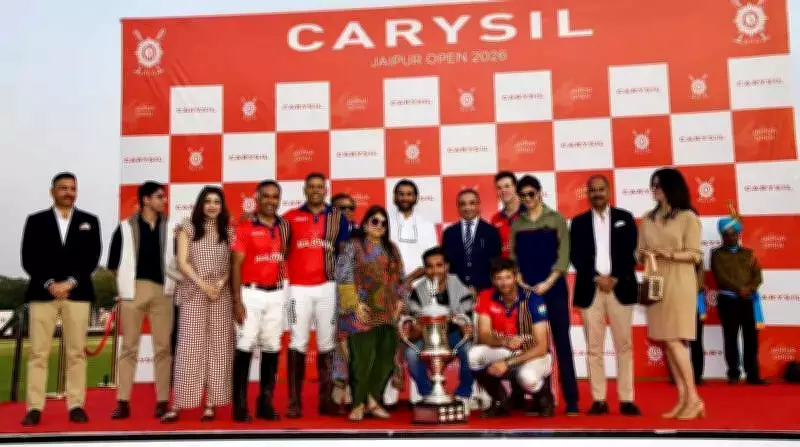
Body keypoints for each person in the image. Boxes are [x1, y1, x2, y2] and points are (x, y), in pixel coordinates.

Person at [20, 172, 102, 426]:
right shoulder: (35, 221)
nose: (69, 192)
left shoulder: (90, 221)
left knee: (76, 353)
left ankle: (76, 404)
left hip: (78, 293)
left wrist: (70, 282)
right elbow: (28, 258)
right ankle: (34, 407)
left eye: (73, 188)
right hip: (42, 294)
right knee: (38, 353)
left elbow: (92, 258)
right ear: (52, 191)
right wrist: (50, 284)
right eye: (63, 188)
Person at [162, 186, 235, 422]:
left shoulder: (229, 230)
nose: (212, 206)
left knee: (219, 349)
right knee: (189, 348)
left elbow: (233, 263)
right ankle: (178, 403)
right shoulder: (188, 226)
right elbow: (182, 262)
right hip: (193, 292)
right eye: (208, 201)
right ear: (200, 204)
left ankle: (211, 404)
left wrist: (220, 284)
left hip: (221, 295)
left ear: (222, 206)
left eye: (217, 201)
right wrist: (204, 285)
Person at [636, 168, 704, 420]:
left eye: (659, 185)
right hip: (655, 280)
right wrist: (644, 255)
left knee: (675, 340)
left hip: (679, 280)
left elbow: (695, 255)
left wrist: (670, 254)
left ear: (671, 187)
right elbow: (638, 252)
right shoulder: (647, 218)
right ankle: (683, 399)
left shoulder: (688, 217)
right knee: (666, 341)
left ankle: (694, 399)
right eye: (652, 185)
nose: (654, 190)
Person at [569, 175, 640, 416]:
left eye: (601, 189)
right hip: (591, 288)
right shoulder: (578, 222)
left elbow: (632, 252)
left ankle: (627, 399)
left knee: (624, 345)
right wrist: (597, 277)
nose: (597, 194)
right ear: (587, 193)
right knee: (594, 347)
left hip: (620, 287)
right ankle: (598, 399)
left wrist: (615, 277)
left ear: (608, 191)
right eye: (593, 190)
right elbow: (576, 256)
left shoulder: (625, 218)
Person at [510, 175, 579, 415]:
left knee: (562, 343)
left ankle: (572, 400)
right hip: (527, 292)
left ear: (540, 193)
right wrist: (519, 278)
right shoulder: (517, 224)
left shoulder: (556, 218)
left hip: (554, 288)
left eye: (531, 194)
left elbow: (564, 255)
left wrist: (548, 282)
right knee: (530, 344)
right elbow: (514, 258)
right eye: (523, 195)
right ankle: (540, 398)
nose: (527, 199)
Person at [108, 181, 177, 420]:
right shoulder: (124, 227)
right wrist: (126, 285)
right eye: (159, 196)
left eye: (164, 196)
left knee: (163, 348)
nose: (164, 200)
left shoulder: (172, 227)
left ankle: (162, 401)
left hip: (163, 292)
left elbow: (180, 260)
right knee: (129, 348)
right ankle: (123, 402)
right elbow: (113, 264)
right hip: (133, 292)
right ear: (146, 200)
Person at [283, 172, 350, 418]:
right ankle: (294, 403)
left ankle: (327, 401)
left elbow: (344, 253)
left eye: (319, 186)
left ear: (325, 190)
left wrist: (345, 287)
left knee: (327, 343)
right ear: (304, 190)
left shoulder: (337, 217)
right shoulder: (290, 217)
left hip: (328, 287)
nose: (315, 190)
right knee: (297, 342)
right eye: (310, 186)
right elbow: (276, 245)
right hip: (298, 288)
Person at [335, 206, 408, 421]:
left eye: (384, 223)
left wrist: (400, 301)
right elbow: (343, 276)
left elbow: (401, 278)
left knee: (385, 361)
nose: (379, 226)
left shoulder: (392, 248)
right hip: (361, 312)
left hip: (388, 312)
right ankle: (358, 404)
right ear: (365, 224)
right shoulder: (352, 246)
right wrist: (354, 305)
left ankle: (373, 400)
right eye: (375, 221)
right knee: (362, 361)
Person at [230, 181, 291, 422]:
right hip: (250, 294)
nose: (270, 201)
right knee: (245, 344)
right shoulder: (245, 227)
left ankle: (265, 402)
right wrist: (237, 301)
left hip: (277, 294)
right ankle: (240, 405)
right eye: (266, 196)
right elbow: (235, 264)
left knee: (272, 346)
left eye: (275, 197)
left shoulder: (285, 227)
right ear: (257, 199)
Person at [468, 257, 554, 418]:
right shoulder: (486, 296)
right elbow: (484, 336)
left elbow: (541, 347)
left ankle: (544, 398)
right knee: (474, 354)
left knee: (526, 377)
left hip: (533, 353)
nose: (504, 283)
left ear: (515, 277)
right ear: (493, 280)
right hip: (506, 349)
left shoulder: (533, 299)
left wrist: (507, 363)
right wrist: (505, 341)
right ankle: (501, 400)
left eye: (508, 277)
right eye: (499, 278)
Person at [385, 179, 438, 405]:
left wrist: (409, 280)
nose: (405, 198)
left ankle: (420, 393)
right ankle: (389, 395)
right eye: (401, 194)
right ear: (395, 197)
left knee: (418, 339)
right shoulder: (385, 222)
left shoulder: (426, 225)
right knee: (390, 341)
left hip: (420, 290)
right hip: (389, 290)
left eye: (409, 194)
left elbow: (432, 260)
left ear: (416, 198)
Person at [402, 247, 475, 405]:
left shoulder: (460, 286)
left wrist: (463, 326)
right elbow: (414, 330)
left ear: (447, 266)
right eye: (429, 266)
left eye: (439, 265)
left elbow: (467, 322)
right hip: (428, 336)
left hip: (454, 335)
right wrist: (419, 327)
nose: (434, 270)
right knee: (411, 354)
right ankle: (429, 394)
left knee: (469, 350)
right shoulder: (418, 292)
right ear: (425, 269)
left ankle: (464, 393)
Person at [711, 213, 767, 386]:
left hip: (748, 300)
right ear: (722, 236)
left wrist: (750, 289)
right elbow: (721, 277)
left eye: (733, 234)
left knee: (751, 338)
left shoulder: (749, 254)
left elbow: (758, 276)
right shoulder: (716, 254)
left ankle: (752, 375)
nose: (729, 237)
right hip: (728, 301)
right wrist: (739, 289)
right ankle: (733, 374)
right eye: (726, 235)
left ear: (738, 234)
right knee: (730, 338)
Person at [442, 189, 502, 293]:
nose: (467, 208)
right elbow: (446, 265)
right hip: (456, 292)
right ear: (458, 207)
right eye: (463, 204)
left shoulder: (491, 232)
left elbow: (495, 264)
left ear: (478, 205)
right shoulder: (449, 233)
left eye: (472, 203)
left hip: (484, 291)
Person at [330, 192, 356, 411]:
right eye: (341, 208)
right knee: (336, 345)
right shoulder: (324, 232)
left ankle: (355, 391)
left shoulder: (361, 235)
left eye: (350, 208)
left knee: (352, 343)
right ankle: (337, 392)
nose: (346, 212)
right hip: (327, 291)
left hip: (353, 295)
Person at [491, 171, 524, 258]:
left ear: (516, 187)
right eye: (499, 188)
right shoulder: (495, 219)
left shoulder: (532, 213)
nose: (503, 190)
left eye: (507, 186)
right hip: (505, 266)